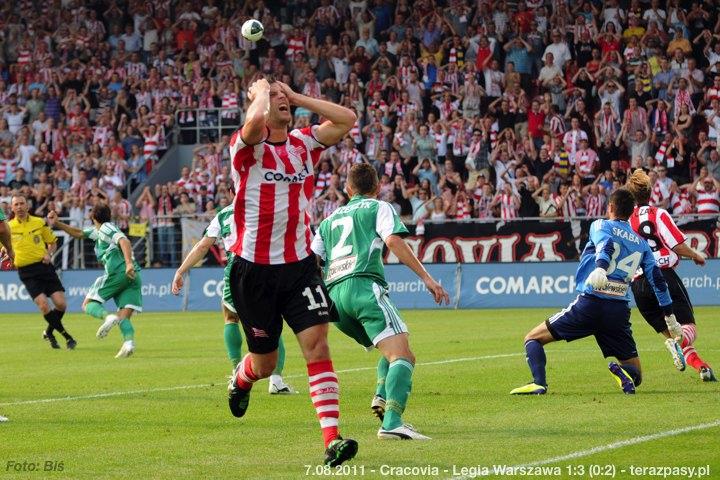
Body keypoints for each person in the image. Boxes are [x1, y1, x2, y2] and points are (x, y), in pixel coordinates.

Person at [226, 77, 358, 466]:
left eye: (286, 97)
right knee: (265, 364)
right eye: (275, 98)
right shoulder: (246, 147)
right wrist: (261, 93)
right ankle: (242, 379)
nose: (282, 101)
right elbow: (252, 126)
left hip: (299, 266)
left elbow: (347, 119)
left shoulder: (303, 142)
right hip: (253, 270)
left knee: (317, 345)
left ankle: (332, 439)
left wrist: (297, 96)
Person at [311, 163, 449, 440]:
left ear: (348, 190)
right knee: (403, 355)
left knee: (391, 343)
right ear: (376, 188)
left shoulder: (327, 221)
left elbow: (313, 261)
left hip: (333, 300)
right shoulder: (378, 207)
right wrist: (427, 278)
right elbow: (394, 242)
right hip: (363, 287)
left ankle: (381, 395)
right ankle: (392, 422)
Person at [510, 188, 675, 395]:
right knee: (636, 374)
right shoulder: (641, 244)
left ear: (611, 207)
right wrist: (669, 315)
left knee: (532, 338)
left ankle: (539, 383)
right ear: (632, 213)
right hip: (618, 310)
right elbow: (658, 281)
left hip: (590, 304)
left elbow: (605, 246)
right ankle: (623, 372)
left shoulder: (600, 225)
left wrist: (600, 268)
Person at [171, 204, 294, 394]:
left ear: (231, 191)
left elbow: (203, 245)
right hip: (264, 267)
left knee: (230, 318)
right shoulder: (264, 206)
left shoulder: (223, 214)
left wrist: (181, 270)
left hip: (235, 269)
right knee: (272, 323)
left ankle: (237, 370)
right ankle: (276, 380)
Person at [626, 170, 716, 381]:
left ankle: (702, 368)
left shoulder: (625, 221)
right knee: (688, 329)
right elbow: (676, 244)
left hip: (638, 287)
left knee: (675, 334)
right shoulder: (658, 214)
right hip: (661, 276)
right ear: (650, 192)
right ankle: (678, 347)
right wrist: (695, 255)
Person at [47, 205, 140, 358]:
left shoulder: (106, 228)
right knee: (124, 315)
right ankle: (128, 343)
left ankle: (107, 317)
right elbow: (78, 233)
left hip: (119, 271)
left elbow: (125, 241)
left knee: (87, 304)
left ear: (93, 217)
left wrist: (128, 263)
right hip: (134, 275)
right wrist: (57, 223)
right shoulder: (98, 231)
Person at [8, 196, 75, 350]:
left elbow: (52, 241)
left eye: (21, 203)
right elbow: (3, 248)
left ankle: (49, 332)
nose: (19, 207)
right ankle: (67, 337)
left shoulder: (39, 222)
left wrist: (49, 254)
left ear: (27, 206)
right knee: (44, 306)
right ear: (12, 208)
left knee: (61, 304)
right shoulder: (8, 227)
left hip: (44, 267)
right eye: (16, 204)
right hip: (26, 272)